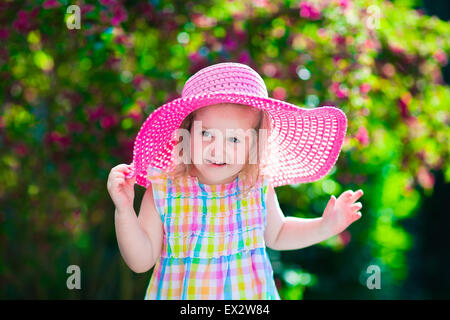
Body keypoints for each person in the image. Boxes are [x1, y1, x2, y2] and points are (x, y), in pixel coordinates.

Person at [107, 62, 364, 300]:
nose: (218, 149)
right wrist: (124, 210)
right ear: (185, 133)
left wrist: (324, 226)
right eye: (206, 133)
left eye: (234, 139)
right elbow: (140, 260)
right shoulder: (164, 189)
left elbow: (279, 233)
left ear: (254, 145)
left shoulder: (256, 186)